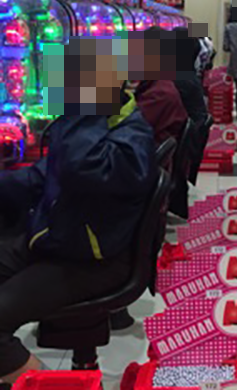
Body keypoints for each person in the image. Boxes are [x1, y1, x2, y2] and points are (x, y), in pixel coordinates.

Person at [0, 40, 157, 384]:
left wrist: (83, 108)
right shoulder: (100, 124)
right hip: (59, 237)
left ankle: (48, 383)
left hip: (92, 261)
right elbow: (42, 177)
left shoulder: (131, 139)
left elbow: (77, 168)